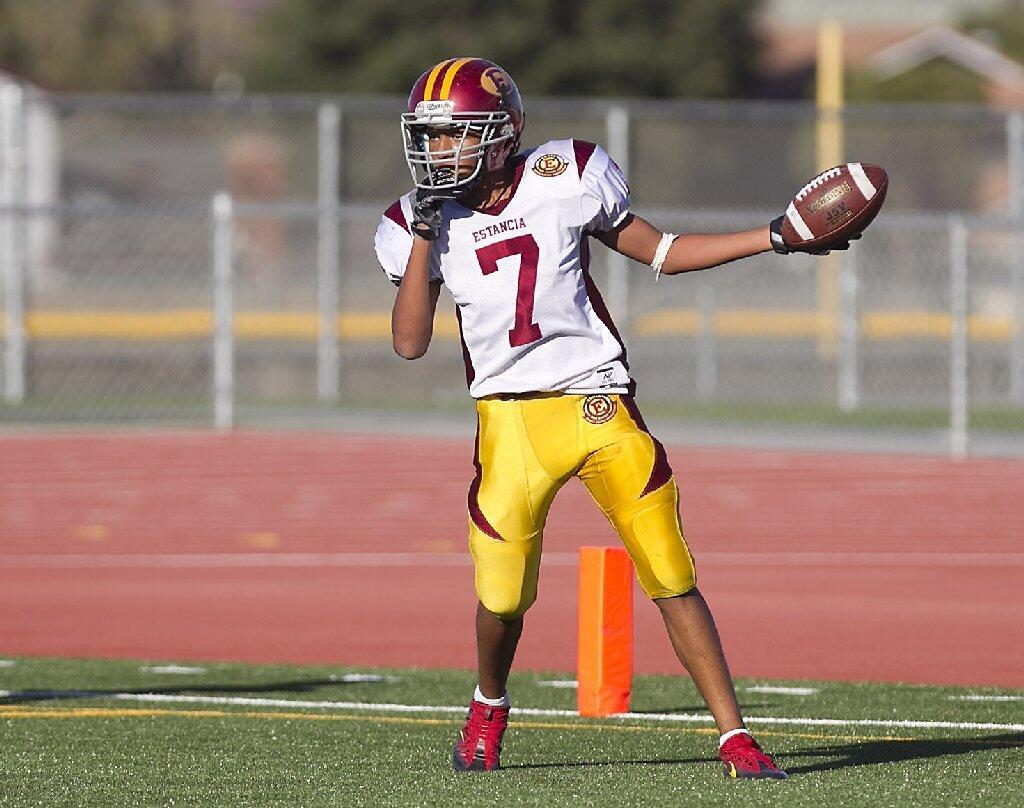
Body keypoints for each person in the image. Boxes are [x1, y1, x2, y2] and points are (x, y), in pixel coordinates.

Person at [374, 57, 848, 780]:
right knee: (501, 596)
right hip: (510, 423)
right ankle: (489, 701)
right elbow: (409, 343)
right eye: (430, 138)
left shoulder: (567, 174)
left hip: (597, 400)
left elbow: (661, 252)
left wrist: (775, 236)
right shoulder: (417, 221)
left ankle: (734, 735)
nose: (438, 153)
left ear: (502, 136)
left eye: (454, 136)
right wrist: (422, 236)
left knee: (668, 566)